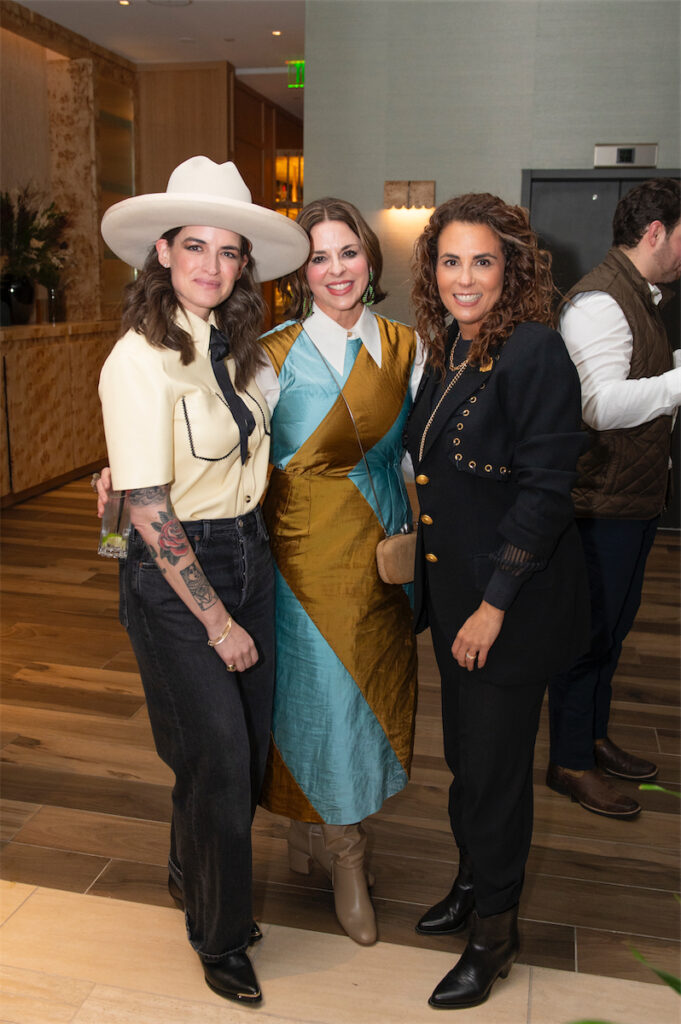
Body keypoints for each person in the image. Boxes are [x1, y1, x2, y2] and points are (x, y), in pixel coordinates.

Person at [97, 156, 308, 1005]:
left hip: (250, 553)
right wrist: (217, 620)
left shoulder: (245, 354)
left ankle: (191, 869)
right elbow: (146, 507)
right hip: (181, 577)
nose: (212, 266)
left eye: (228, 252)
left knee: (239, 752)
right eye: (195, 248)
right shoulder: (139, 359)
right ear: (161, 252)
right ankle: (220, 937)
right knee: (219, 758)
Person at [405, 193, 589, 1010]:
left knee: (497, 777)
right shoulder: (453, 344)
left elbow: (546, 494)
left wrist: (492, 605)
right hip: (457, 601)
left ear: (511, 266)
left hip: (506, 610)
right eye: (450, 261)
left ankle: (494, 936)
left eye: (482, 260)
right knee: (466, 764)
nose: (464, 277)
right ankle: (472, 884)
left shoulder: (535, 352)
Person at [255, 197, 422, 946]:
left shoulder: (405, 346)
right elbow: (228, 449)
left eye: (346, 252)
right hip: (299, 550)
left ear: (370, 260)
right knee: (312, 696)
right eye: (318, 257)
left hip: (382, 547)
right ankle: (340, 851)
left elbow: (419, 450)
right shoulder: (269, 351)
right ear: (301, 270)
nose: (334, 270)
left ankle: (319, 832)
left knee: (368, 698)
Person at [547, 178, 681, 818]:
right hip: (597, 503)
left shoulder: (641, 296)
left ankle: (592, 737)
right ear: (655, 233)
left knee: (613, 632)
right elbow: (597, 405)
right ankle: (570, 762)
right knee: (587, 635)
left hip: (629, 500)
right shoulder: (600, 302)